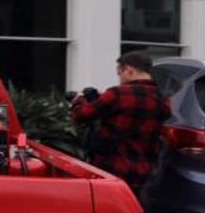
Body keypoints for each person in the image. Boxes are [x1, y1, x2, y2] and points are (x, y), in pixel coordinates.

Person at [69, 50, 171, 195]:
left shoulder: (117, 93)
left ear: (128, 70)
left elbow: (82, 115)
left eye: (119, 73)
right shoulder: (163, 98)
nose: (120, 79)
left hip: (113, 167)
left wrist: (79, 100)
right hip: (145, 172)